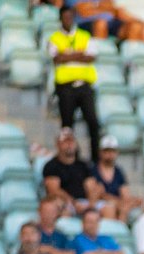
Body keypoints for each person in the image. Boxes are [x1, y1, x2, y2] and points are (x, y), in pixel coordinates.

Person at [47, 6, 101, 161]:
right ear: (60, 19)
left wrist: (68, 55)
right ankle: (72, 158)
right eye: (65, 17)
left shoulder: (84, 36)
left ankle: (95, 158)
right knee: (67, 125)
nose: (68, 20)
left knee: (92, 122)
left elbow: (91, 57)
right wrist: (79, 55)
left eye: (70, 17)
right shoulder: (55, 38)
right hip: (65, 87)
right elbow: (56, 58)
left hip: (84, 86)